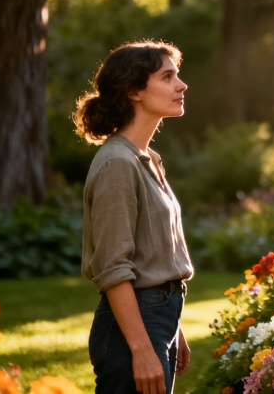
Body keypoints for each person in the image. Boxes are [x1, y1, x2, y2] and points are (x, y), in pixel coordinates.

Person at [73, 40, 195, 394]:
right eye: (168, 76)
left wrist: (174, 329)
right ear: (134, 91)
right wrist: (142, 349)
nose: (181, 85)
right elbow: (113, 268)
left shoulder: (147, 159)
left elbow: (154, 255)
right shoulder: (117, 163)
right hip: (133, 329)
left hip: (157, 321)